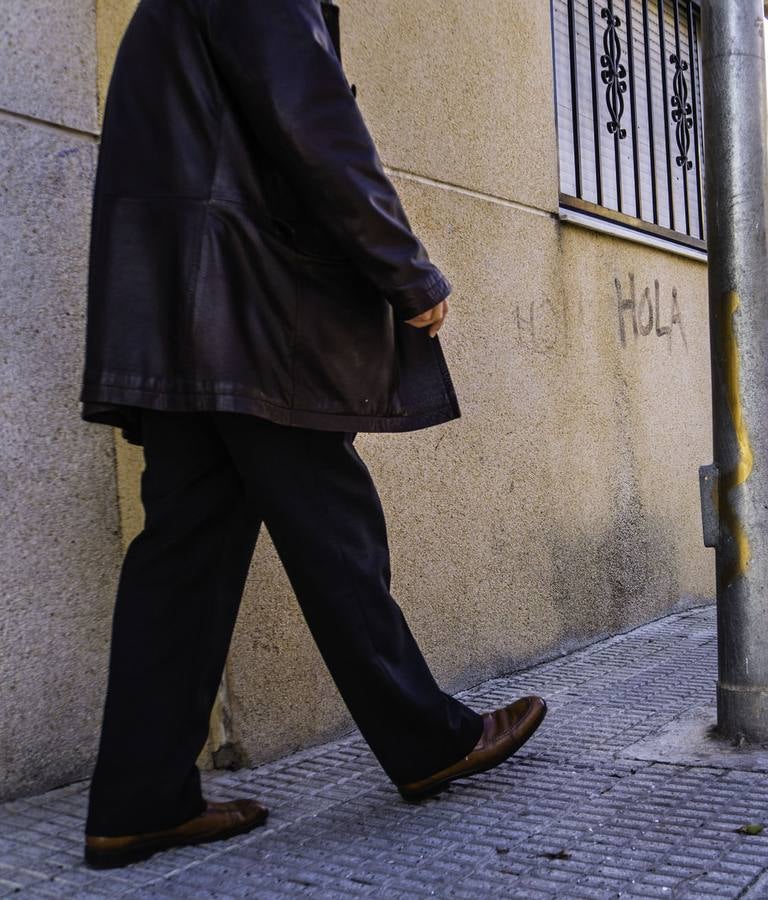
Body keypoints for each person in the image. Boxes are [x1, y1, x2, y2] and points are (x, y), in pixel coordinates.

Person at [79, 0, 545, 869]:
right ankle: (429, 740)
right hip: (242, 307)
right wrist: (404, 268)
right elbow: (312, 120)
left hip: (181, 304)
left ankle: (137, 802)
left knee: (184, 552)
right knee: (332, 523)